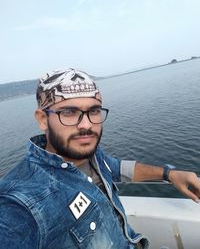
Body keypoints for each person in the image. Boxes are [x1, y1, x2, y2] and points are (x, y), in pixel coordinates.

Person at [0, 68, 199, 249]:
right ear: (43, 119)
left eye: (94, 111)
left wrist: (169, 174)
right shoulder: (19, 204)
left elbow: (117, 168)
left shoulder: (90, 157)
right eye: (69, 112)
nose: (86, 125)